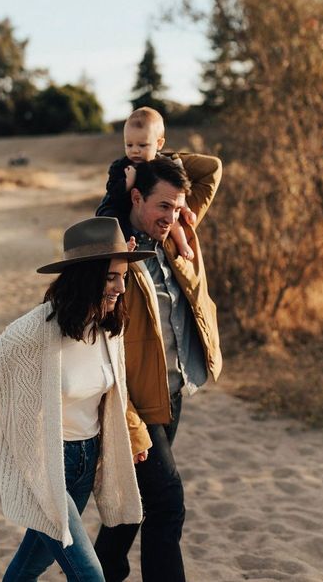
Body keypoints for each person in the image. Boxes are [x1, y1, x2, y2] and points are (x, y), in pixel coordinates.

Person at [0, 217, 155, 582]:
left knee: (28, 568)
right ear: (84, 277)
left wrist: (134, 433)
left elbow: (114, 395)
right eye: (109, 277)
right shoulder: (31, 336)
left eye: (123, 276)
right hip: (46, 464)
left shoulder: (108, 329)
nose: (120, 287)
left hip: (86, 462)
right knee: (90, 575)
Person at [94, 155, 223, 582]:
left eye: (177, 206)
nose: (171, 215)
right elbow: (100, 351)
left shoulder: (173, 234)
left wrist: (152, 158)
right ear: (135, 197)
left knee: (136, 502)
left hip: (171, 392)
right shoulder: (114, 255)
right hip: (135, 405)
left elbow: (212, 169)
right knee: (167, 502)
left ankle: (100, 573)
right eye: (162, 205)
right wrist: (129, 425)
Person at [97, 106, 197, 260]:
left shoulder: (164, 165)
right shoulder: (121, 166)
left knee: (173, 218)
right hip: (118, 205)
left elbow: (179, 191)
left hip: (147, 207)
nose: (135, 151)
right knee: (116, 221)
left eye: (142, 145)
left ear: (159, 144)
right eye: (129, 145)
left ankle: (183, 244)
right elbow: (112, 191)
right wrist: (127, 183)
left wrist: (186, 209)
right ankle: (125, 246)